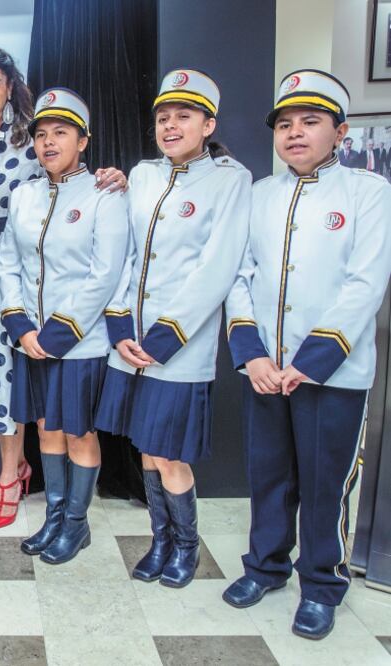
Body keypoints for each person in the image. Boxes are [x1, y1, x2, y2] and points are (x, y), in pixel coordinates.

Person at [222, 69, 391, 640]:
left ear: (339, 132)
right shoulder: (260, 194)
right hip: (266, 369)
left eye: (310, 122)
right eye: (286, 124)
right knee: (268, 476)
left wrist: (310, 361)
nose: (295, 133)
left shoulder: (370, 194)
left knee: (325, 484)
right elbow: (239, 277)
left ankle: (321, 585)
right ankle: (265, 568)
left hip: (333, 373)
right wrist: (254, 357)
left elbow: (365, 286)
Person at [0, 43, 127, 530]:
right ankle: (21, 469)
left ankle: (12, 478)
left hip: (23, 281)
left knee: (12, 378)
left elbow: (64, 196)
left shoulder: (30, 136)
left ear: (10, 88)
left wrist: (117, 177)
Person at [94, 69, 252, 588]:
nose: (170, 125)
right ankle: (159, 541)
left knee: (170, 451)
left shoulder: (231, 179)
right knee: (145, 446)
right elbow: (129, 255)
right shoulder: (141, 175)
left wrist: (164, 338)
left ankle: (186, 546)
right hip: (132, 341)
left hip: (179, 346)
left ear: (208, 123)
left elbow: (217, 268)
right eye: (163, 117)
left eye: (184, 116)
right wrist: (119, 326)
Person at [0, 88, 129, 558]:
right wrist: (21, 327)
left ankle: (77, 523)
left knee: (78, 432)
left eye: (61, 133)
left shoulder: (104, 193)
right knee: (45, 428)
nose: (48, 142)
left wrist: (57, 333)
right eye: (41, 134)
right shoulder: (25, 196)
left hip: (81, 343)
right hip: (31, 340)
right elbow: (7, 263)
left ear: (84, 140)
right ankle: (54, 517)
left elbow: (106, 273)